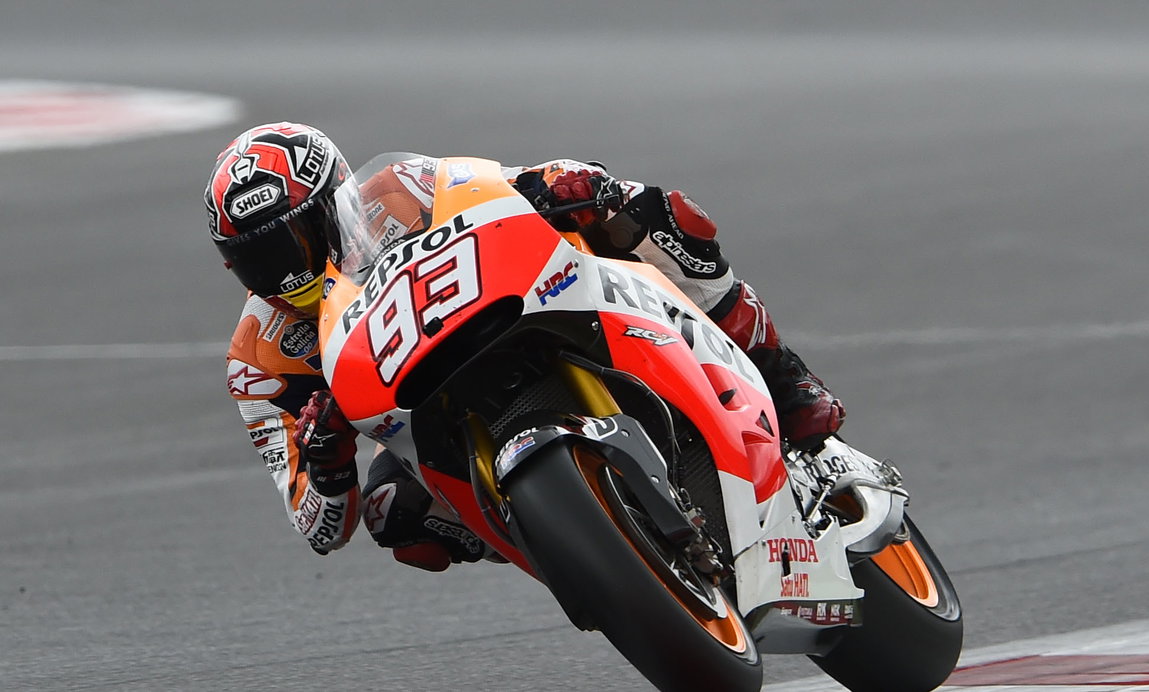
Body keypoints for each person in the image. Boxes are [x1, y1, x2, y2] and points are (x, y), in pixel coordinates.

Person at [205, 122, 845, 571]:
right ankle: (572, 546)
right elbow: (317, 526)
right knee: (392, 515)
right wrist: (328, 459)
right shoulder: (257, 361)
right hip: (423, 413)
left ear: (335, 199)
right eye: (258, 259)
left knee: (649, 211)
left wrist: (560, 184)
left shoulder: (397, 189)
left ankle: (782, 375)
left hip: (507, 306)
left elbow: (495, 186)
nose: (285, 273)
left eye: (294, 240)